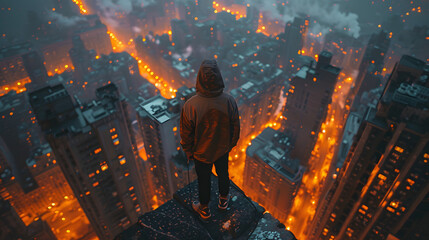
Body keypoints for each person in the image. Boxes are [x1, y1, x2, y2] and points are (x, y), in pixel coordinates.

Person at [180, 59, 240, 220]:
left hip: (201, 153)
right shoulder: (228, 101)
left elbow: (186, 133)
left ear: (199, 78)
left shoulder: (191, 105)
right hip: (221, 149)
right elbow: (236, 127)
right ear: (219, 77)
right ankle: (223, 202)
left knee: (204, 180)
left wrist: (188, 150)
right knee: (223, 174)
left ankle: (205, 209)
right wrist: (230, 144)